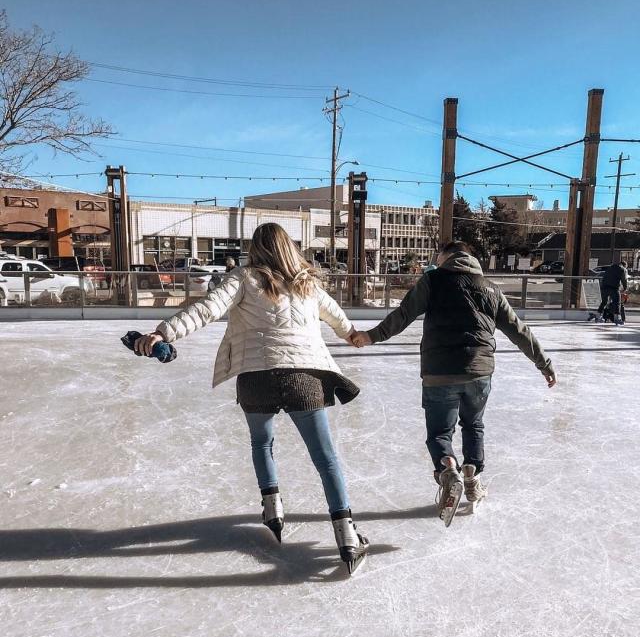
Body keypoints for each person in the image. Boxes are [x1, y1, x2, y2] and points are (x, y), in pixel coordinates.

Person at [134, 223, 369, 574]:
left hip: (256, 378)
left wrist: (162, 332)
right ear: (289, 247)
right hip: (303, 377)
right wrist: (352, 335)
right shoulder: (307, 282)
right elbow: (337, 317)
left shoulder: (243, 278)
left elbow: (207, 308)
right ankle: (347, 536)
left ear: (255, 249)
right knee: (326, 458)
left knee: (262, 442)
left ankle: (272, 507)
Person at [351, 240, 557, 526]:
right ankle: (471, 474)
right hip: (479, 371)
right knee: (473, 425)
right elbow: (519, 331)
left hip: (439, 371)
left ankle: (448, 469)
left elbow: (403, 315)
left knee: (439, 433)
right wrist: (544, 363)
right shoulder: (490, 288)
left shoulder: (433, 281)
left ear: (447, 257)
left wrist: (370, 336)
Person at [593, 260, 628, 325]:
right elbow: (624, 280)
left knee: (604, 302)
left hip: (604, 287)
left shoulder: (610, 267)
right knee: (617, 302)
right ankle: (617, 319)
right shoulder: (623, 269)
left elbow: (600, 269)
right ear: (625, 266)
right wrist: (625, 288)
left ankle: (597, 317)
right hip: (614, 288)